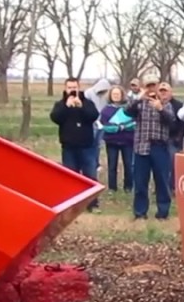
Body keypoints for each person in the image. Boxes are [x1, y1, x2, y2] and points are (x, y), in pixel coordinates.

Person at [124, 80, 176, 220]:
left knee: (162, 181)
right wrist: (138, 99)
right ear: (145, 88)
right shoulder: (139, 103)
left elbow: (171, 122)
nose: (151, 89)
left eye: (154, 86)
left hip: (160, 147)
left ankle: (163, 213)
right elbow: (126, 112)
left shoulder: (165, 104)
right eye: (149, 86)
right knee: (140, 182)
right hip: (142, 147)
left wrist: (160, 109)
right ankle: (140, 213)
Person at [49, 77, 101, 211]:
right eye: (69, 88)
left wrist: (81, 106)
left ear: (79, 88)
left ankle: (92, 204)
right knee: (71, 177)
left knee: (90, 176)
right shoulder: (61, 104)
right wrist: (66, 107)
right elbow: (55, 118)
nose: (72, 90)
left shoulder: (87, 102)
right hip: (69, 147)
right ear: (65, 89)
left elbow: (94, 116)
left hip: (87, 146)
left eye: (74, 87)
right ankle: (72, 205)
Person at [99, 85, 135, 193]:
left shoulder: (128, 108)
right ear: (110, 95)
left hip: (127, 141)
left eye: (118, 94)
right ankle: (112, 187)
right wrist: (117, 127)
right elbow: (104, 125)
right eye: (114, 94)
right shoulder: (106, 110)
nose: (116, 96)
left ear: (122, 95)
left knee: (128, 165)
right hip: (111, 141)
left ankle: (128, 187)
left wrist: (124, 126)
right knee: (112, 165)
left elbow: (133, 122)